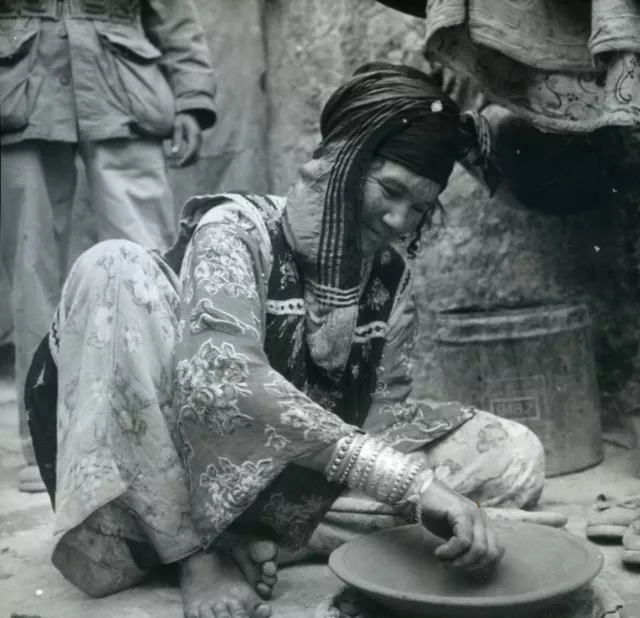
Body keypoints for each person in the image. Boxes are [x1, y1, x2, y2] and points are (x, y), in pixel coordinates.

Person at [25, 63, 545, 618]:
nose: (399, 219)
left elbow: (379, 417)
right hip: (163, 453)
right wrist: (414, 489)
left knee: (513, 457)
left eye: (420, 207)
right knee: (112, 266)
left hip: (279, 473)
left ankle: (261, 539)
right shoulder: (237, 230)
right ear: (343, 161)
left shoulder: (390, 277)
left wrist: (424, 485)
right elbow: (220, 379)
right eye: (390, 190)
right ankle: (195, 554)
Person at [0, 0, 217, 492]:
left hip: (125, 92)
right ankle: (46, 442)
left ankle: (167, 430)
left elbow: (176, 17)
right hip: (17, 93)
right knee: (30, 271)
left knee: (148, 265)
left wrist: (190, 100)